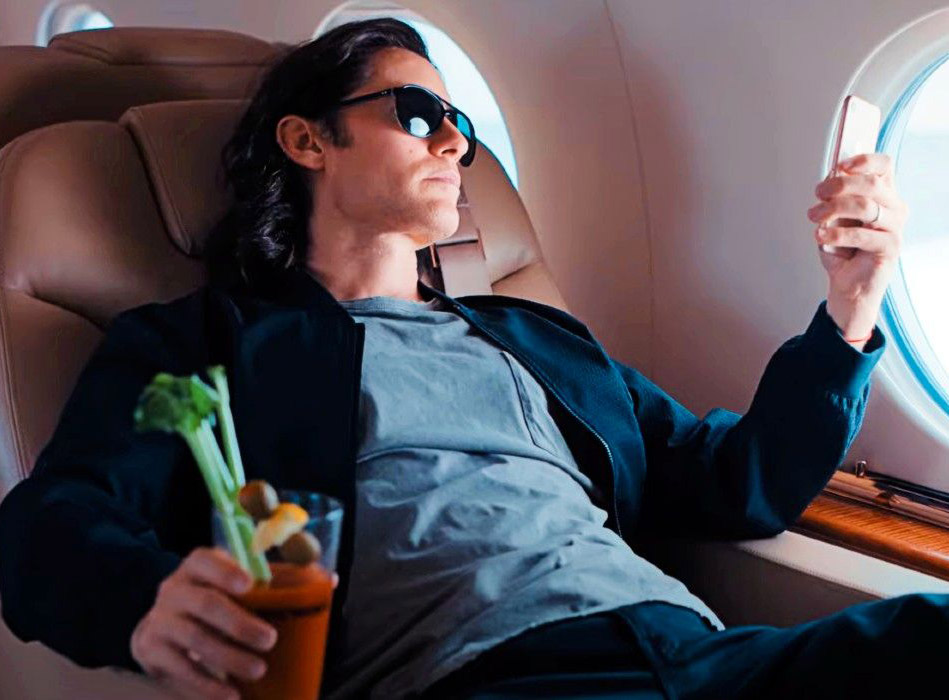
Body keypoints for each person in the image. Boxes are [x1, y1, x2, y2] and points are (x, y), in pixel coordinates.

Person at [0, 16, 925, 700]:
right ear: (307, 139)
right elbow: (51, 519)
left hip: (697, 655)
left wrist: (849, 312)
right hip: (485, 676)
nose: (454, 142)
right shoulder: (205, 345)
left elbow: (738, 482)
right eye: (417, 114)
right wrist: (142, 599)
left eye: (461, 125)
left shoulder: (535, 338)